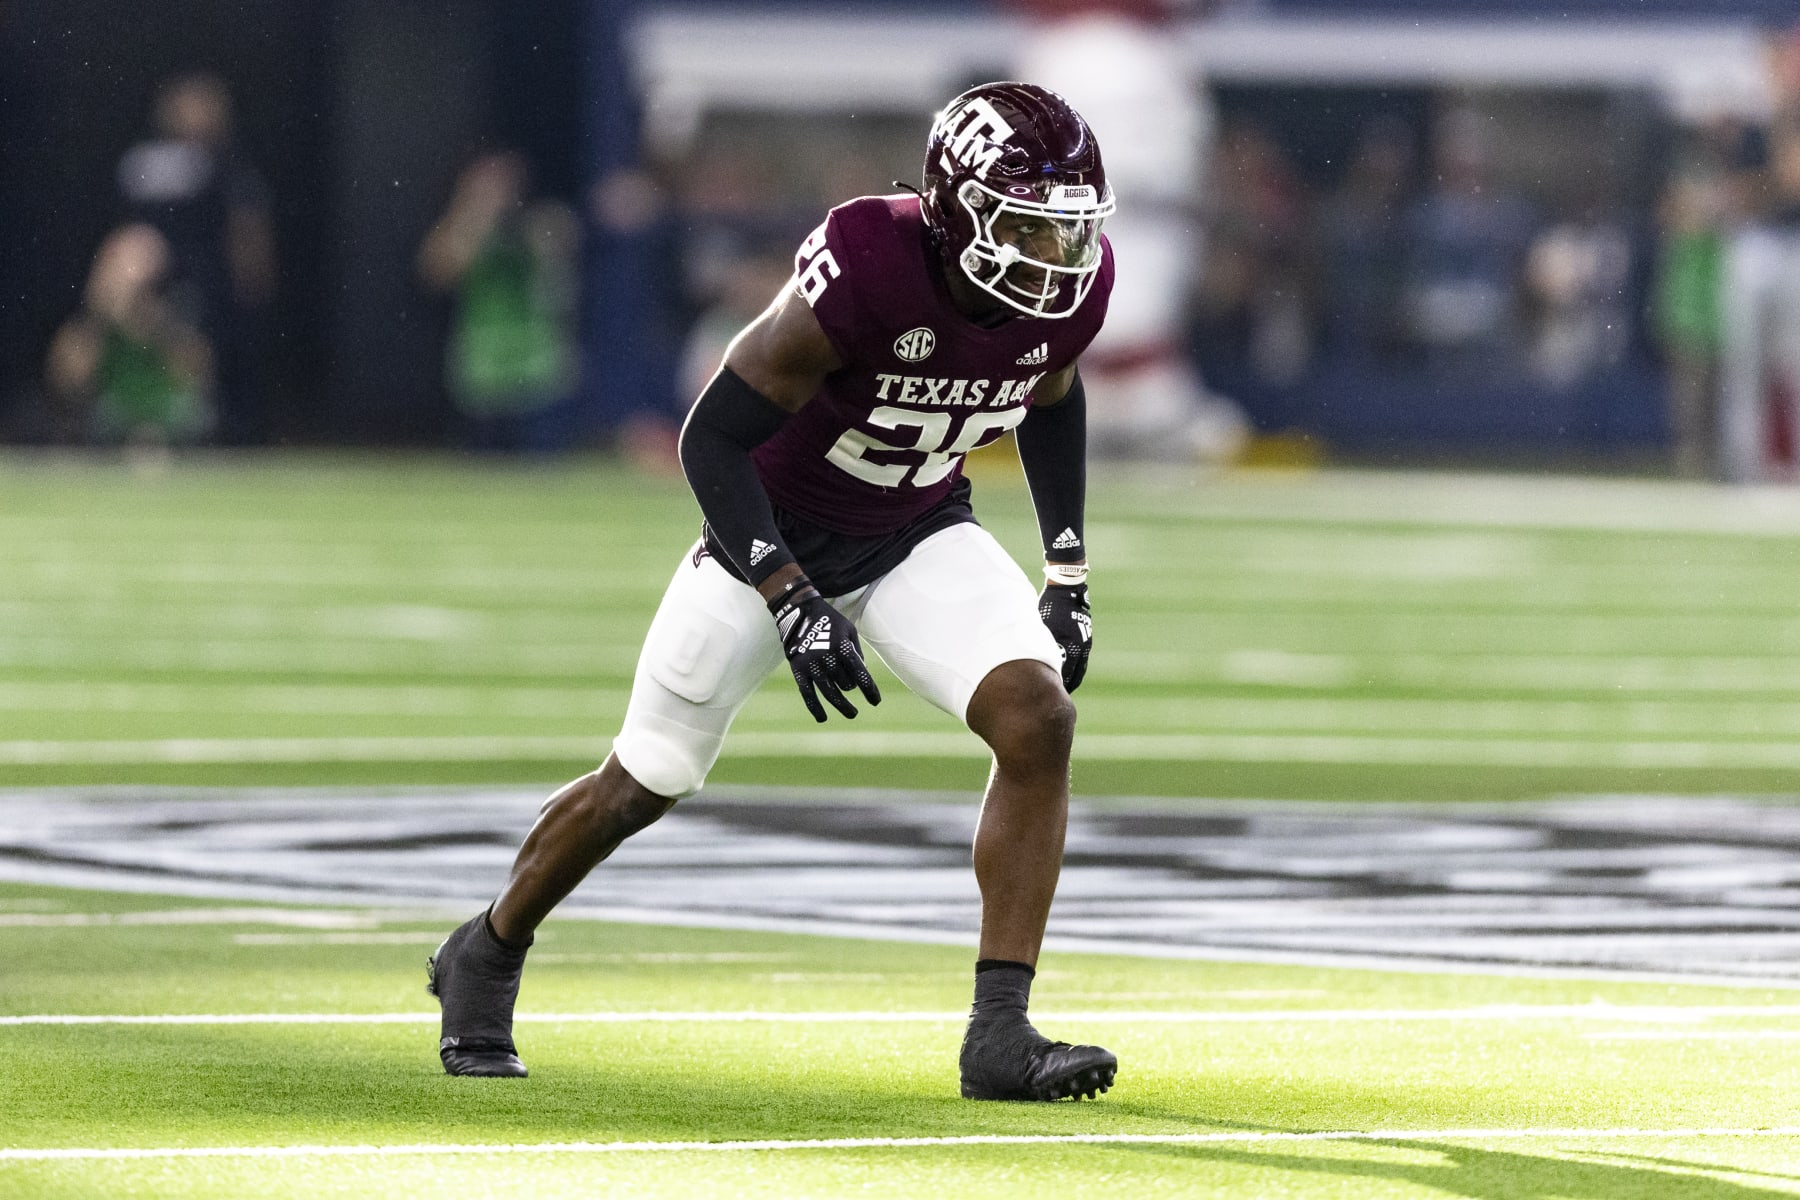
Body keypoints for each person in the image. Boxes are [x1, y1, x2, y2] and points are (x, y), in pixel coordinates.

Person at [427, 82, 1119, 1103]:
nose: (1055, 259)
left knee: (1037, 719)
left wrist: (1066, 565)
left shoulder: (1064, 294)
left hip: (916, 526)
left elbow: (1052, 390)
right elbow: (710, 437)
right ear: (956, 207)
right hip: (771, 535)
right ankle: (485, 949)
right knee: (644, 780)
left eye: (1068, 234)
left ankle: (999, 1034)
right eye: (1027, 227)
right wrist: (790, 594)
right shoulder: (869, 269)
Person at [116, 73, 275, 445]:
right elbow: (131, 239)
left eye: (207, 108)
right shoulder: (144, 166)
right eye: (190, 108)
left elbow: (251, 249)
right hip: (153, 293)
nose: (198, 118)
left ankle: (211, 431)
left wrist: (251, 290)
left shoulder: (234, 175)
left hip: (211, 298)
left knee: (204, 370)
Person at [418, 150, 582, 453]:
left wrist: (520, 228)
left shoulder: (540, 220)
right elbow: (438, 271)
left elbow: (560, 250)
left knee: (540, 470)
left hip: (535, 367)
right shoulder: (463, 228)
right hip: (484, 369)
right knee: (484, 473)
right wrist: (477, 218)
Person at [46, 223, 214, 445]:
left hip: (172, 423)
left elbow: (198, 378)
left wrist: (154, 327)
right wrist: (98, 318)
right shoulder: (94, 320)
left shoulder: (177, 312)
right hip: (113, 424)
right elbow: (68, 383)